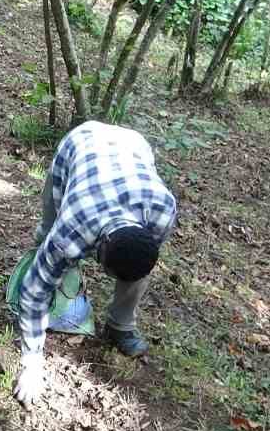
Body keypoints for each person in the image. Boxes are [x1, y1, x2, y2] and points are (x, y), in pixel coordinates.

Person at [13, 121, 177, 405]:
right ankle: (50, 266)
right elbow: (33, 292)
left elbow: (139, 261)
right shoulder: (71, 231)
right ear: (98, 250)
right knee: (47, 237)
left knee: (135, 272)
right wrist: (32, 365)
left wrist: (131, 275)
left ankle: (120, 326)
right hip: (79, 145)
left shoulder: (163, 211)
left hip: (132, 146)